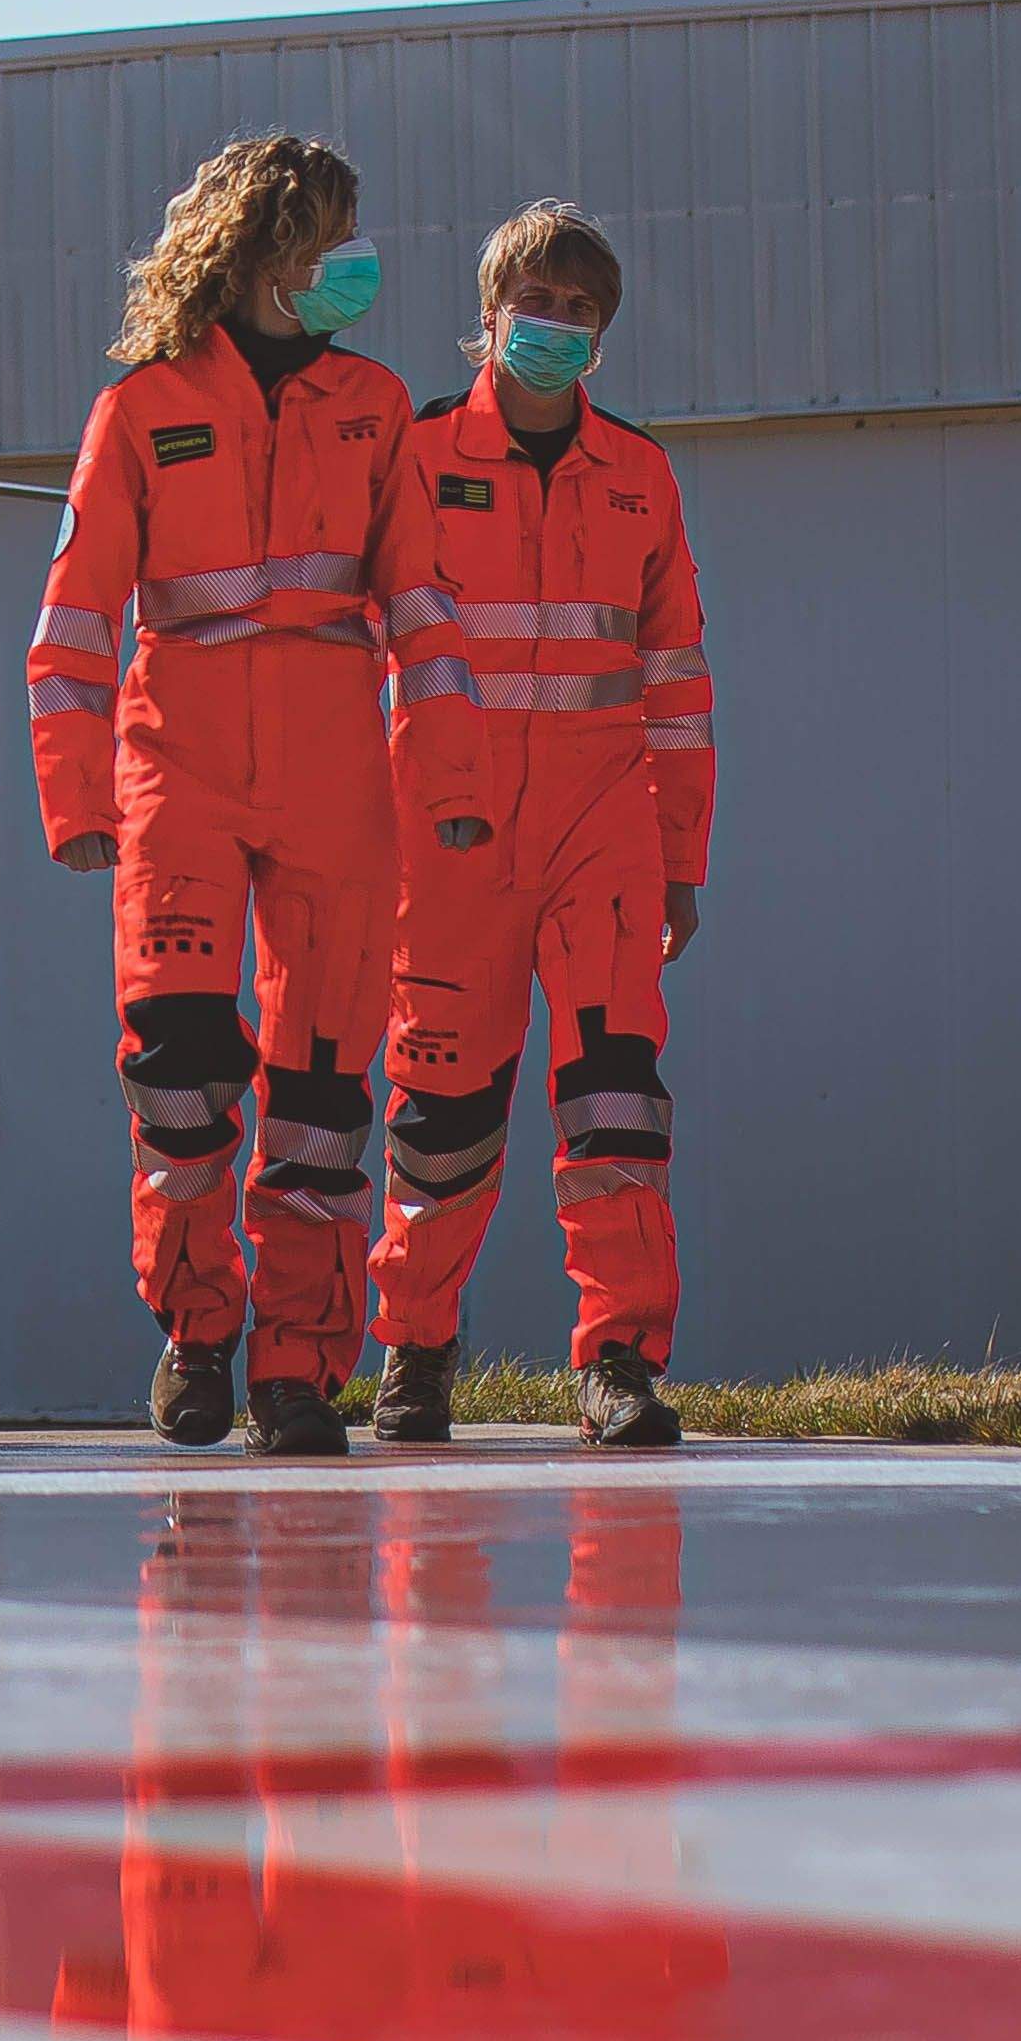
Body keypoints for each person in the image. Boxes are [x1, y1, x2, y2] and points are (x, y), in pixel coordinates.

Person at [24, 136, 460, 1457]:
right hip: (181, 771)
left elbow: (426, 610)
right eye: (335, 236)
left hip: (338, 776)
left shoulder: (377, 406)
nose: (353, 263)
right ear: (274, 250)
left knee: (324, 1090)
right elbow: (74, 620)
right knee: (182, 1073)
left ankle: (298, 1371)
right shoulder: (144, 410)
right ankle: (197, 1339)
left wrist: (446, 783)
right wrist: (76, 797)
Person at [364, 200, 712, 1450]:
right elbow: (349, 656)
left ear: (601, 335)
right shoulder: (405, 460)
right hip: (446, 835)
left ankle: (618, 1359)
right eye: (539, 303)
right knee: (440, 1110)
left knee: (614, 1095)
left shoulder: (643, 478)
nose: (555, 326)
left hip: (603, 830)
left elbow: (677, 684)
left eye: (580, 311)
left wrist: (682, 859)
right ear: (489, 313)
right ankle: (413, 1351)